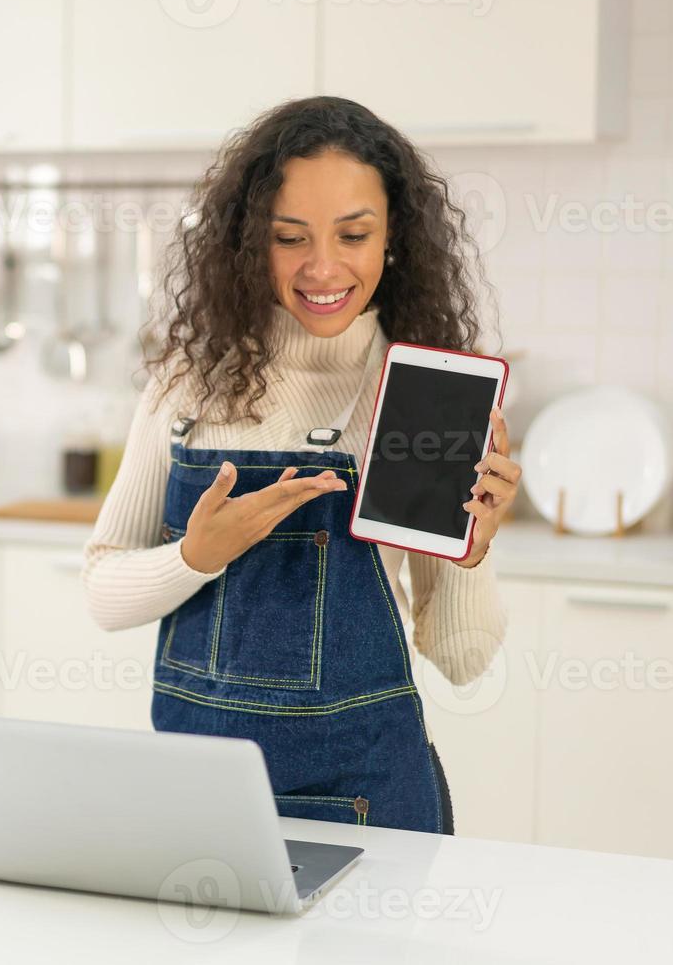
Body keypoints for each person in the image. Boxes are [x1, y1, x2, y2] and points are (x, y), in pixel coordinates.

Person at [83, 96, 522, 834]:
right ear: (251, 242)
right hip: (202, 802)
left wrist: (473, 554)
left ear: (394, 239)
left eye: (354, 234)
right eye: (290, 238)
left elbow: (464, 657)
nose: (324, 267)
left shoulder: (426, 398)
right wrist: (196, 557)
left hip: (369, 803)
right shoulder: (189, 382)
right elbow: (101, 593)